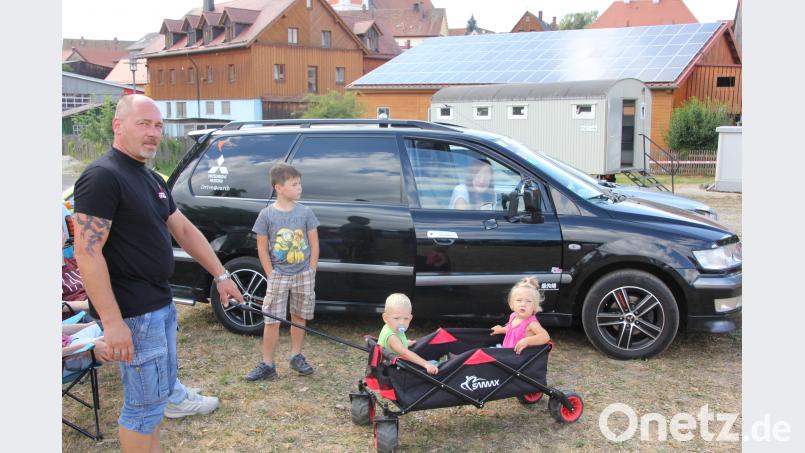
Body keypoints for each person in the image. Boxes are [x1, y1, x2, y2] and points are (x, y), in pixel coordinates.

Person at [73, 94, 244, 452]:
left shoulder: (150, 177)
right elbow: (87, 255)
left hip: (160, 305)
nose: (153, 133)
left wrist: (221, 276)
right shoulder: (103, 176)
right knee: (142, 409)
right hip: (133, 313)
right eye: (143, 124)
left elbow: (183, 230)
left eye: (158, 126)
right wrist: (113, 321)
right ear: (118, 126)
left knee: (156, 402)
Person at [246, 163, 320, 382]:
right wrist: (271, 273)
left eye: (300, 183)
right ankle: (268, 364)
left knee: (299, 315)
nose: (299, 187)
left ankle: (296, 356)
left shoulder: (306, 212)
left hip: (303, 274)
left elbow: (314, 243)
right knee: (272, 319)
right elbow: (261, 247)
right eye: (294, 184)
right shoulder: (266, 215)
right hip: (278, 274)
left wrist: (311, 269)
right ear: (278, 188)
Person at [377, 293, 439, 375]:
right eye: (396, 318)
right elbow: (405, 353)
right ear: (386, 318)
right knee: (435, 364)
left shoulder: (391, 327)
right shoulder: (392, 337)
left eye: (406, 318)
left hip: (396, 363)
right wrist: (425, 364)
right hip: (394, 369)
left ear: (410, 318)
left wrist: (405, 342)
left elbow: (394, 346)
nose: (402, 322)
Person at [490, 277, 551, 354]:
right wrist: (501, 330)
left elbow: (545, 337)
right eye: (519, 300)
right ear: (512, 304)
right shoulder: (513, 316)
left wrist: (527, 341)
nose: (523, 304)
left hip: (519, 358)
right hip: (507, 352)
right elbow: (511, 329)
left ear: (534, 307)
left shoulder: (531, 323)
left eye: (528, 301)